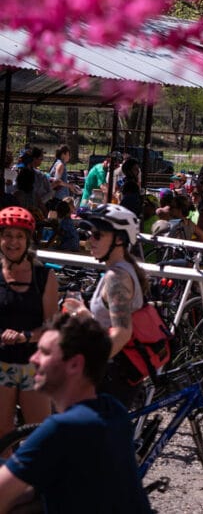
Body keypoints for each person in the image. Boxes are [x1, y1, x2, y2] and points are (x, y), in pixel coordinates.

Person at [0, 313, 153, 513]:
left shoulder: (63, 428)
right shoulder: (113, 410)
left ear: (75, 364)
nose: (33, 359)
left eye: (44, 353)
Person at [61, 204, 151, 406]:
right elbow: (109, 323)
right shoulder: (121, 269)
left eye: (97, 235)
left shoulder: (117, 277)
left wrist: (87, 370)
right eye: (89, 234)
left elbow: (121, 332)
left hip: (110, 376)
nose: (90, 240)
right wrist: (85, 314)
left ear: (119, 239)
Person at [0, 207, 59, 441]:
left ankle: (35, 477)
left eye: (19, 236)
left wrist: (25, 336)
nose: (13, 242)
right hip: (2, 362)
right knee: (2, 432)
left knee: (38, 433)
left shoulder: (44, 277)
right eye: (7, 235)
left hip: (33, 364)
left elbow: (52, 327)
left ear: (28, 240)